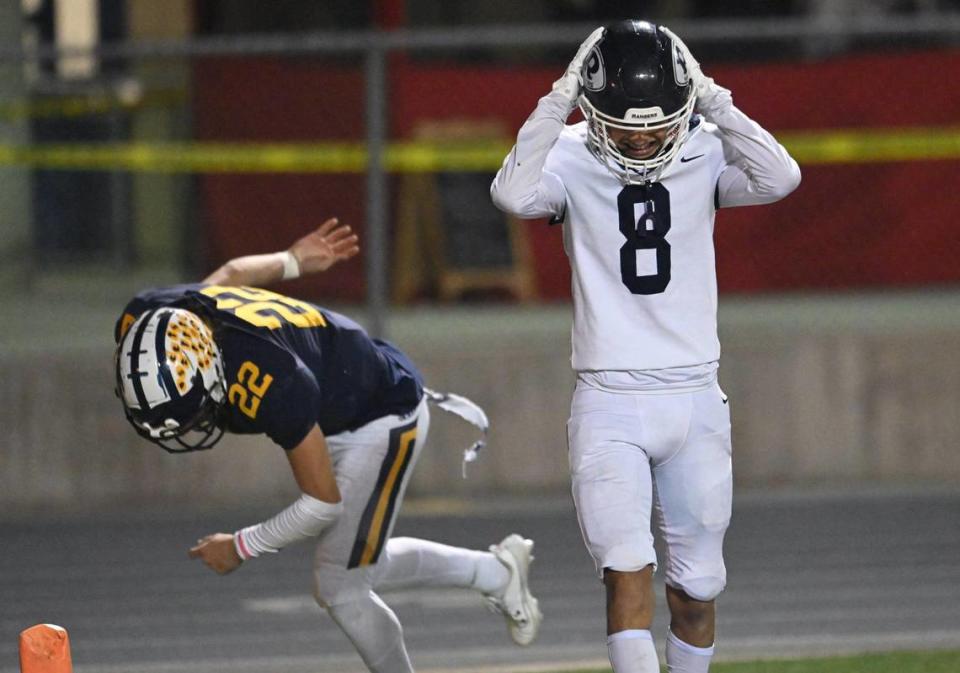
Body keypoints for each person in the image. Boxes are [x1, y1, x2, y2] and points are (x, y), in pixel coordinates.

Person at [491, 20, 800, 673]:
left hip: (695, 396)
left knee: (699, 589)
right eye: (625, 124)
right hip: (610, 401)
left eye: (657, 122)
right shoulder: (572, 154)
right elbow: (511, 193)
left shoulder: (707, 148)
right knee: (624, 573)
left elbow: (781, 177)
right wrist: (560, 95)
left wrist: (714, 97)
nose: (643, 136)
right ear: (592, 108)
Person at [113, 218, 542, 673]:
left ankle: (494, 577)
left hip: (380, 415)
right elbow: (228, 276)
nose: (186, 428)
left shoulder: (272, 380)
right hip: (338, 393)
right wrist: (292, 261)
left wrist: (240, 546)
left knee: (342, 587)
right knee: (355, 566)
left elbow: (321, 505)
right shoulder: (148, 316)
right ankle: (497, 574)